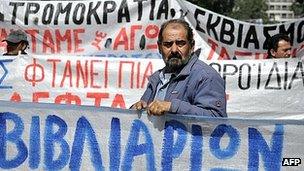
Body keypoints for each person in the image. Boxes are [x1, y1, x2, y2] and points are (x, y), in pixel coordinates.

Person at [131, 19, 227, 117]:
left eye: (180, 43)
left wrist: (172, 107)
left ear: (192, 46)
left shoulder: (206, 76)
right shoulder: (157, 78)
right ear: (159, 48)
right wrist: (137, 108)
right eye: (168, 44)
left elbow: (216, 118)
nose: (174, 50)